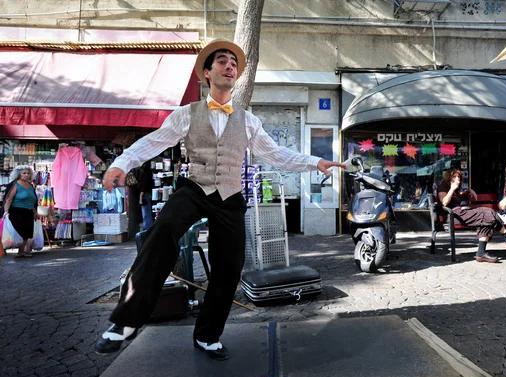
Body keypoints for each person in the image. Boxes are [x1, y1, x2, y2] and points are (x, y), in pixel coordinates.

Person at [94, 39, 346, 359]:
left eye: (234, 64)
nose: (230, 66)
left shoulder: (249, 121)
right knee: (162, 231)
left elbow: (276, 154)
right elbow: (155, 142)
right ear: (208, 73)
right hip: (194, 188)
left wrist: (315, 162)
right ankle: (126, 322)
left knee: (229, 266)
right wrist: (120, 164)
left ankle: (207, 334)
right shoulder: (187, 114)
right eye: (223, 62)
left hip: (229, 195)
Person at [437, 169, 506, 263]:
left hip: (460, 214)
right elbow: (444, 202)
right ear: (448, 177)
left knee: (487, 220)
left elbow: (457, 199)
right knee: (487, 213)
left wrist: (467, 192)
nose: (457, 178)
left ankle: (481, 253)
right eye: (454, 176)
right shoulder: (443, 186)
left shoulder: (454, 189)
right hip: (453, 216)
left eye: (459, 176)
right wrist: (452, 188)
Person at [2, 165, 38, 258]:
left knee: (27, 233)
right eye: (24, 173)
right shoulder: (15, 184)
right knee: (20, 231)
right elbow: (9, 199)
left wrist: (35, 212)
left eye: (28, 173)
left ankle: (21, 251)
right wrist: (6, 212)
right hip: (17, 211)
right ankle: (6, 248)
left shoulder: (30, 185)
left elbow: (31, 200)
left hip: (29, 212)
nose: (26, 175)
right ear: (19, 174)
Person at [138, 162, 154, 231]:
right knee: (148, 213)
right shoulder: (149, 172)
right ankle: (148, 229)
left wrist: (141, 195)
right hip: (149, 193)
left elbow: (144, 184)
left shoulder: (145, 172)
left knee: (146, 213)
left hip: (145, 194)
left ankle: (146, 229)